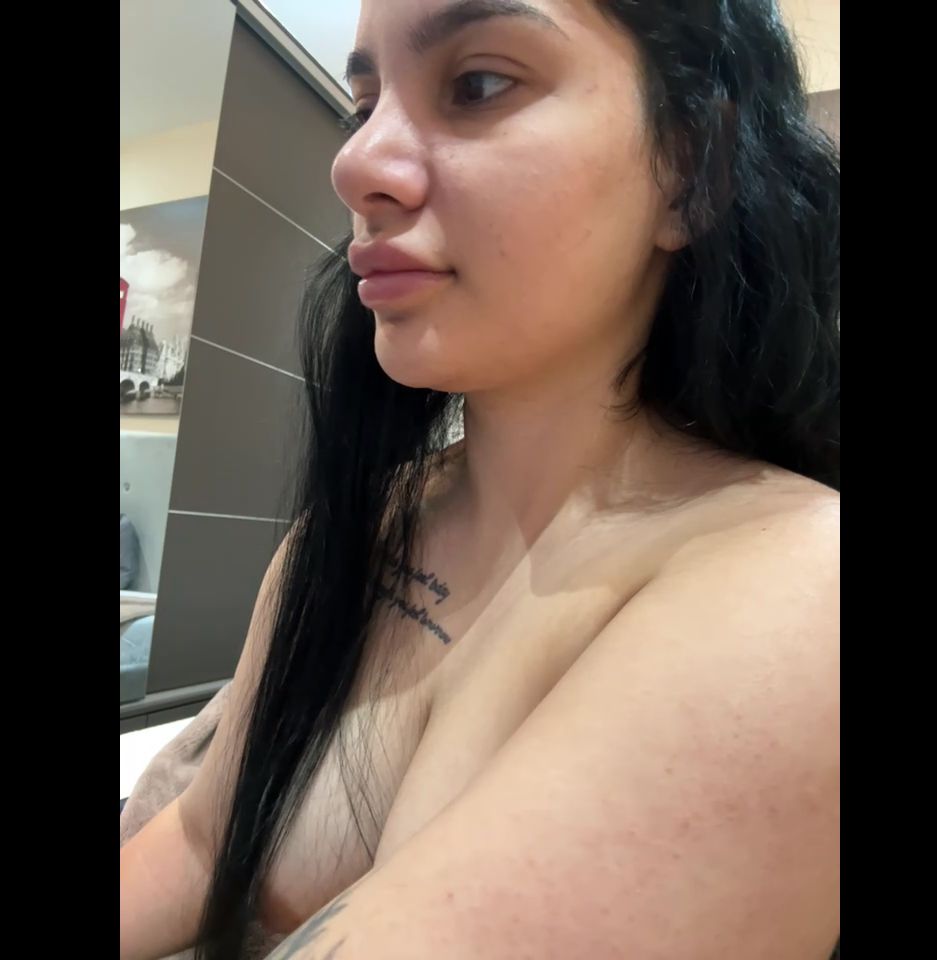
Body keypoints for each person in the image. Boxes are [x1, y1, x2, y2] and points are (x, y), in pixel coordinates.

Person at [120, 2, 840, 958]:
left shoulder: (794, 584)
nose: (355, 163)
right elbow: (203, 841)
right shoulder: (365, 522)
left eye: (478, 84)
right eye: (363, 107)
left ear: (691, 169)